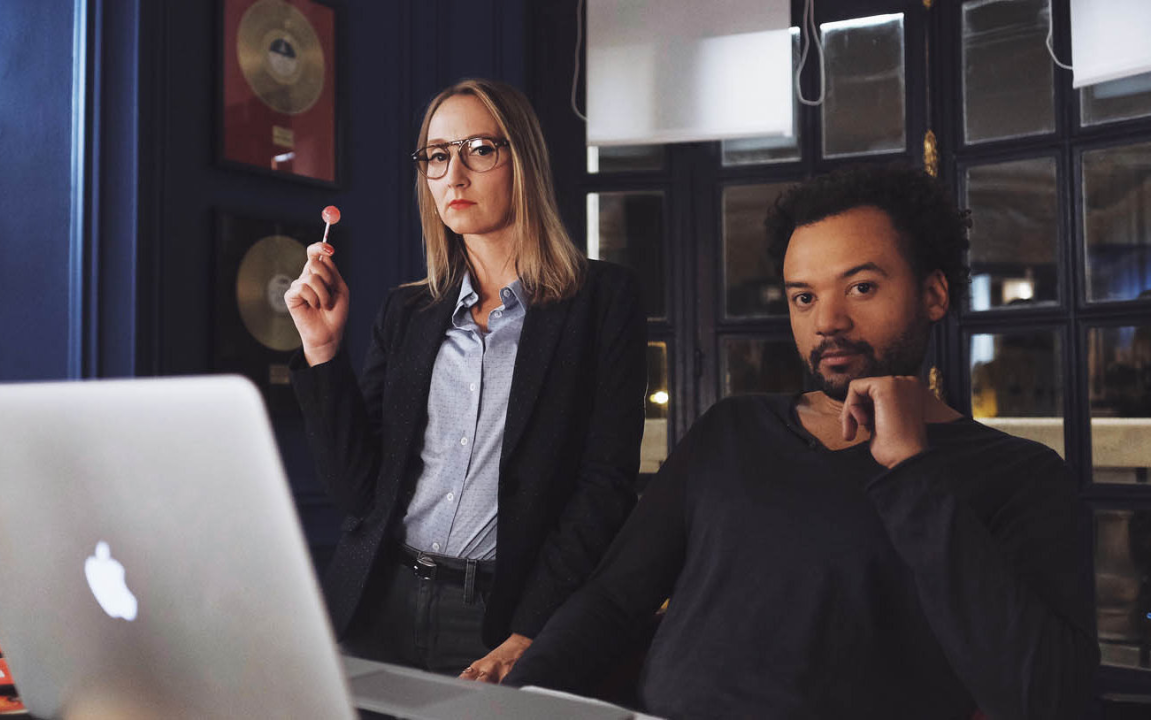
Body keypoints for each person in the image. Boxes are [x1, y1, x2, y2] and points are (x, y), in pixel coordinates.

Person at [505, 164, 1099, 719]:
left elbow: (1046, 696)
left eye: (861, 287)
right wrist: (510, 703)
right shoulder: (732, 430)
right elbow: (612, 601)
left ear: (934, 294)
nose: (827, 322)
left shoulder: (1017, 475)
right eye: (804, 297)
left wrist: (911, 470)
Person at [284, 78, 646, 682]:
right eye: (437, 155)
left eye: (479, 149)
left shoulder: (601, 301)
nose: (454, 175)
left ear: (522, 160)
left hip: (498, 618)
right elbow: (357, 493)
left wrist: (531, 628)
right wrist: (322, 348)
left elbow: (604, 484)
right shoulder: (409, 311)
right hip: (378, 601)